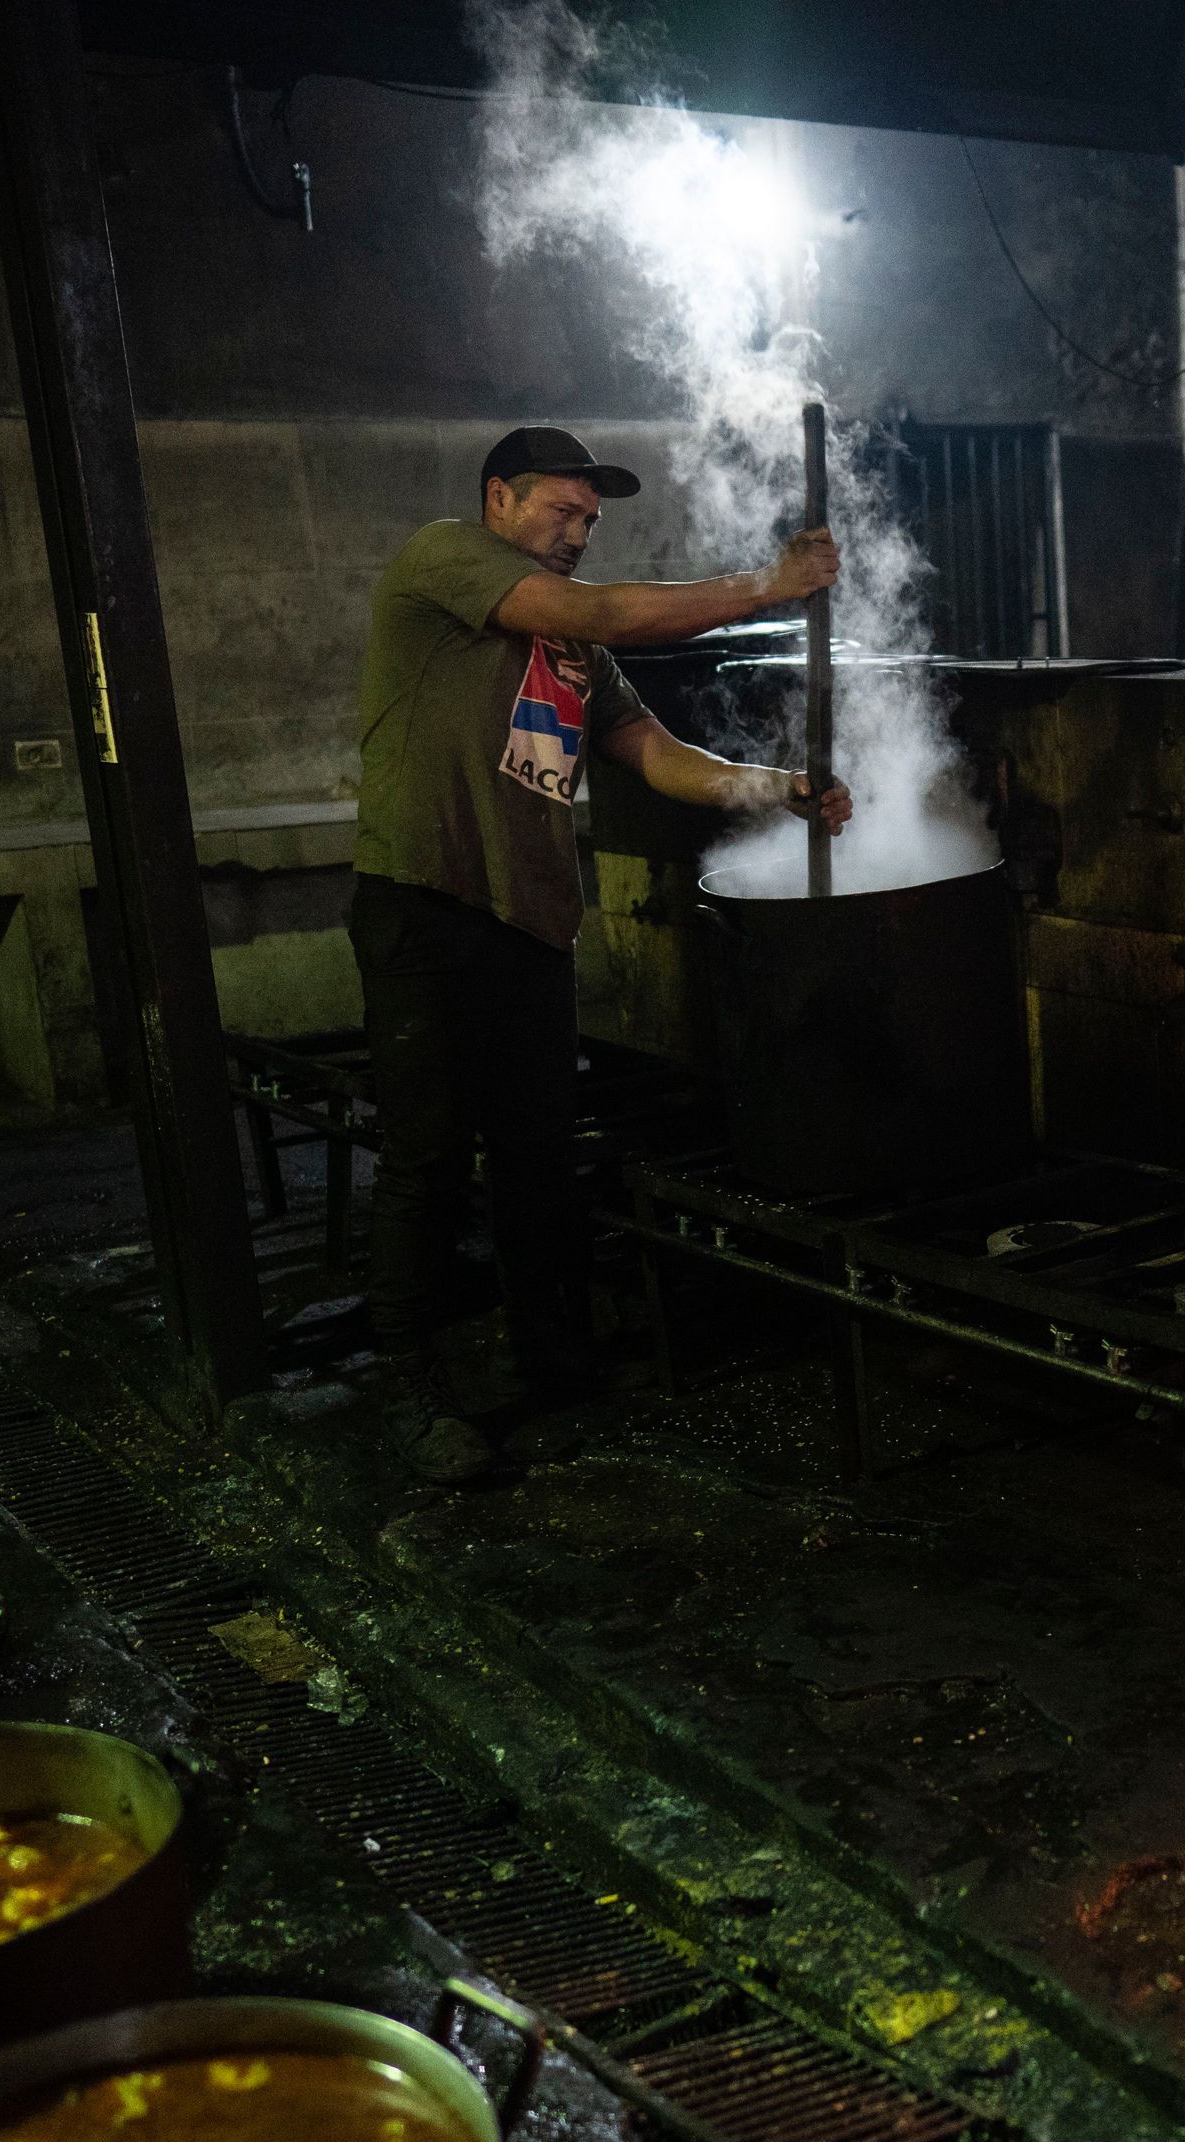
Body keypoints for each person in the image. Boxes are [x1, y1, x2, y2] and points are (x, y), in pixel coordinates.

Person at [351, 424, 851, 1483]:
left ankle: (554, 1363)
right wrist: (770, 584)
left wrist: (776, 788)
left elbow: (654, 757)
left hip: (528, 922)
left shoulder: (579, 656)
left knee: (536, 1153)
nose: (575, 533)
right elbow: (592, 605)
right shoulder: (443, 560)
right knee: (427, 1152)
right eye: (558, 511)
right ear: (498, 501)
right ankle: (403, 1383)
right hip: (426, 900)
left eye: (588, 519)